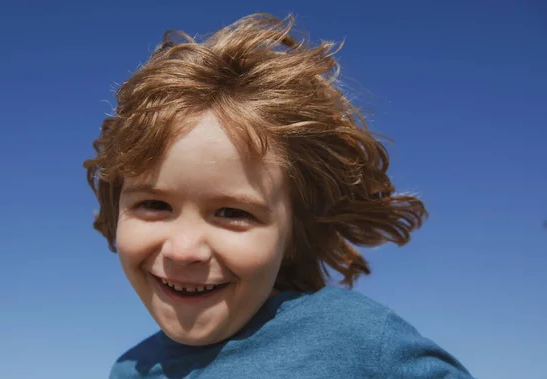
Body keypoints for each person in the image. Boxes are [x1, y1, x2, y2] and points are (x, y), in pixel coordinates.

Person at [84, 13, 474, 379]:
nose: (184, 250)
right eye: (154, 205)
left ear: (292, 234)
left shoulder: (355, 341)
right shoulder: (132, 368)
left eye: (232, 212)